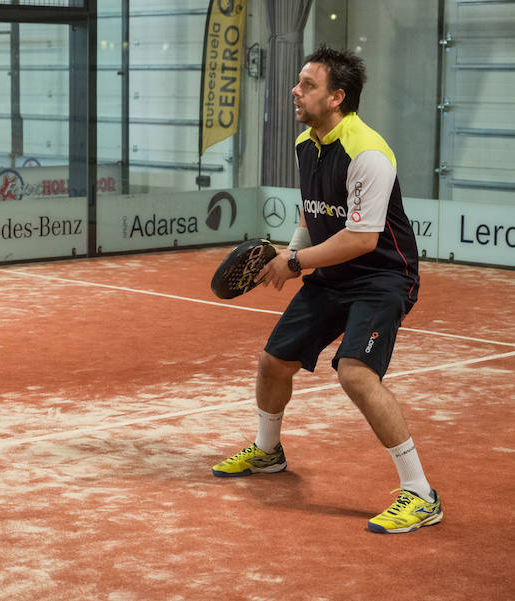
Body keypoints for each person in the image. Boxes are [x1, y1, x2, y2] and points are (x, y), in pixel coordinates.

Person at [210, 46, 442, 534]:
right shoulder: (306, 142)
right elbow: (312, 211)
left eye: (308, 85)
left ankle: (421, 493)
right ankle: (268, 452)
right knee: (274, 362)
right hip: (333, 275)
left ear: (337, 97)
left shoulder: (368, 153)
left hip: (382, 277)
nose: (296, 90)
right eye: (299, 82)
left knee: (355, 373)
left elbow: (360, 238)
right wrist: (296, 254)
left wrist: (293, 261)